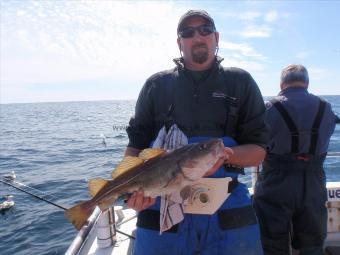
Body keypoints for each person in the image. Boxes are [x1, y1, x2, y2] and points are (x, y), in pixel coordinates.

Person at [125, 10, 268, 255]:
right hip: (160, 202)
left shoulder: (240, 82)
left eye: (205, 30)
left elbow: (258, 152)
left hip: (227, 204)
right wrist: (130, 193)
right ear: (179, 42)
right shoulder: (156, 85)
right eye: (187, 32)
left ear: (217, 37)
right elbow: (135, 147)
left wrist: (222, 156)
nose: (197, 36)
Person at [253, 64, 337, 255]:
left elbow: (257, 139)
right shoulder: (326, 108)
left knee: (273, 244)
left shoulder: (269, 108)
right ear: (307, 83)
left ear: (282, 83)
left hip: (276, 184)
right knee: (313, 245)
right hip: (314, 183)